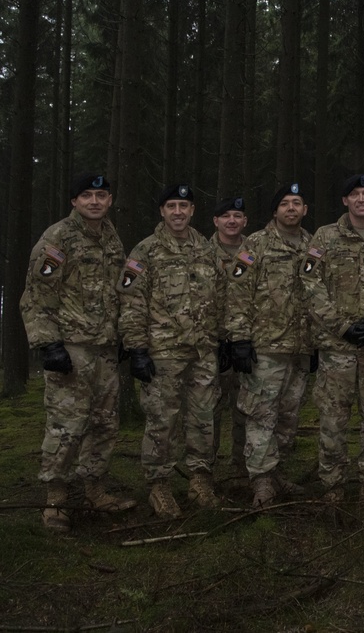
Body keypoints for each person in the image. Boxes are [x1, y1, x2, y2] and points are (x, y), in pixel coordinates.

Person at [20, 173, 137, 531]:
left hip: (103, 348)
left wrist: (124, 337)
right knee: (66, 426)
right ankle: (54, 499)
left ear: (110, 200)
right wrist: (48, 344)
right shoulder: (57, 239)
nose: (94, 201)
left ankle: (94, 489)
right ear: (74, 201)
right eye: (86, 195)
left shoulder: (111, 238)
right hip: (70, 348)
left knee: (103, 424)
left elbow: (118, 291)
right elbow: (36, 295)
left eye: (101, 195)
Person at [118, 183, 225, 518]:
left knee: (204, 419)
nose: (178, 212)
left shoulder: (206, 251)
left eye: (184, 205)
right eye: (171, 206)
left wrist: (224, 338)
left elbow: (219, 298)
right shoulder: (145, 252)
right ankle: (159, 484)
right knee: (162, 420)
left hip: (203, 351)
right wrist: (136, 348)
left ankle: (199, 479)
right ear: (162, 211)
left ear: (193, 211)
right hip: (163, 352)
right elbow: (131, 302)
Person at [301, 174, 364, 510]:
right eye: (355, 194)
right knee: (333, 421)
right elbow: (309, 284)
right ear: (345, 201)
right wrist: (342, 326)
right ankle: (332, 486)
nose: (362, 199)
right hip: (337, 349)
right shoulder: (324, 238)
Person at [226, 183, 313, 508]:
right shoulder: (255, 245)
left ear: (305, 210)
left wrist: (315, 342)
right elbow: (237, 292)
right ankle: (261, 482)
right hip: (264, 348)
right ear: (275, 211)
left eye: (297, 203)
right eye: (285, 204)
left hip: (300, 348)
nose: (291, 208)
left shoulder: (313, 246)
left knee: (288, 418)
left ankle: (277, 473)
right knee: (261, 416)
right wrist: (240, 339)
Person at [210, 197, 249, 477]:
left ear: (245, 221)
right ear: (216, 221)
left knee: (245, 408)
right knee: (208, 410)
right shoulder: (201, 250)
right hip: (211, 345)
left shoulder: (256, 249)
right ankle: (205, 470)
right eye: (226, 216)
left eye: (237, 215)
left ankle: (241, 468)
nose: (232, 220)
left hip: (247, 343)